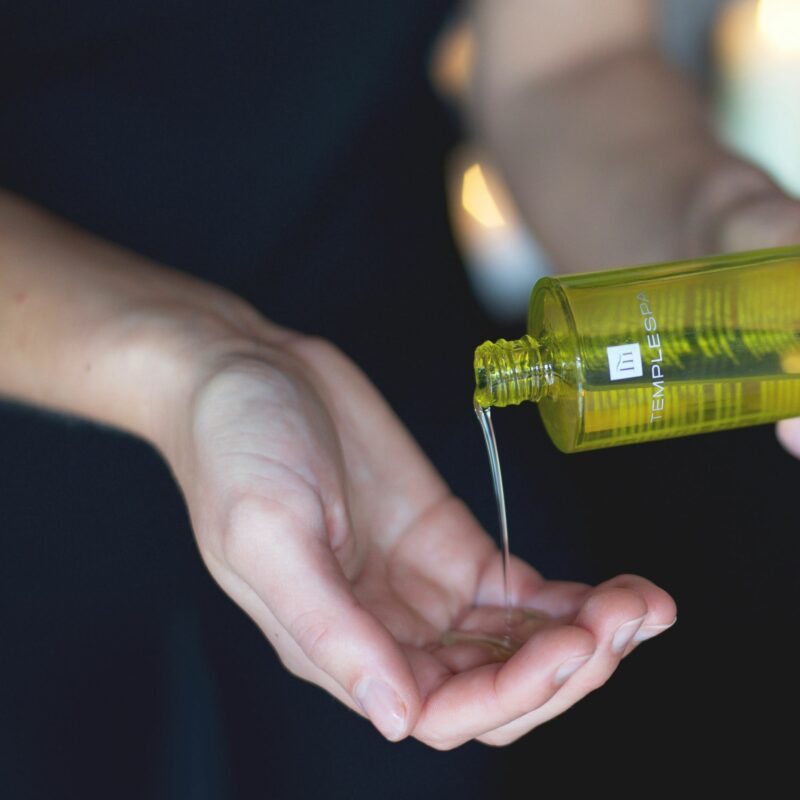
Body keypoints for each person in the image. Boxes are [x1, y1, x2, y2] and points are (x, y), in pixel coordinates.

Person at [1, 0, 797, 792]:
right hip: (39, 444)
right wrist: (199, 359)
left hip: (392, 478)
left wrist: (724, 231)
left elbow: (566, 66)